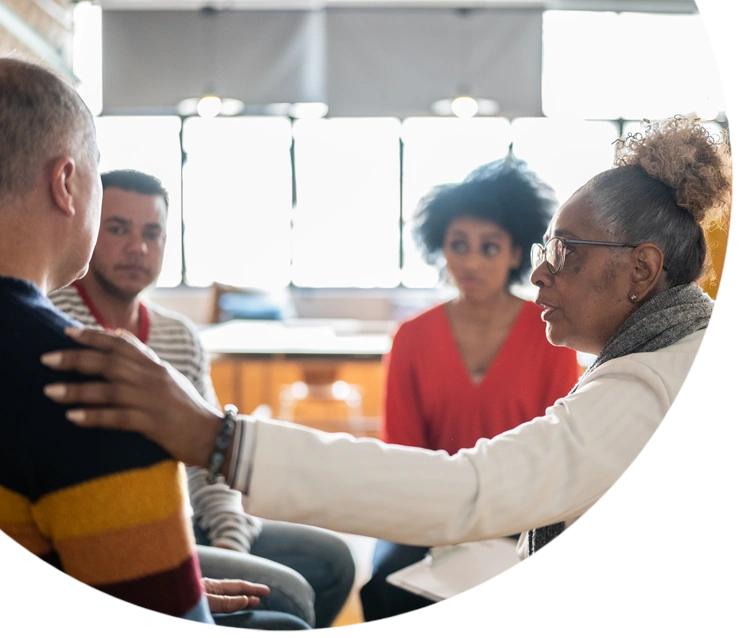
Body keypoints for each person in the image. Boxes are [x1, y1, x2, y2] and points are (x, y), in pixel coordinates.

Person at [43, 117, 735, 626]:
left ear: (641, 270)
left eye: (567, 251)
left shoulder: (644, 389)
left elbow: (471, 489)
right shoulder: (682, 355)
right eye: (547, 248)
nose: (542, 271)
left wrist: (217, 440)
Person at [0, 55, 315, 633]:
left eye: (152, 233)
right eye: (114, 219)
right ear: (67, 184)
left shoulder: (163, 341)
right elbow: (173, 627)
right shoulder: (99, 379)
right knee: (287, 619)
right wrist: (175, 591)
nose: (134, 245)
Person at [48, 169, 355, 631]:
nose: (138, 247)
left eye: (153, 233)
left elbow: (208, 456)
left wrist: (231, 546)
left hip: (185, 521)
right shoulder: (55, 321)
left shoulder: (178, 336)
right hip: (114, 536)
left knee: (333, 559)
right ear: (88, 229)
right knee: (289, 596)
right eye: (117, 229)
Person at [361, 156, 580, 623]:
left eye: (489, 247)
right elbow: (402, 452)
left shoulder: (552, 337)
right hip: (428, 512)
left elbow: (555, 452)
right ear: (440, 248)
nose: (472, 261)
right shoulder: (411, 338)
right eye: (459, 245)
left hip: (521, 515)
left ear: (516, 252)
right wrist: (447, 523)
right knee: (385, 582)